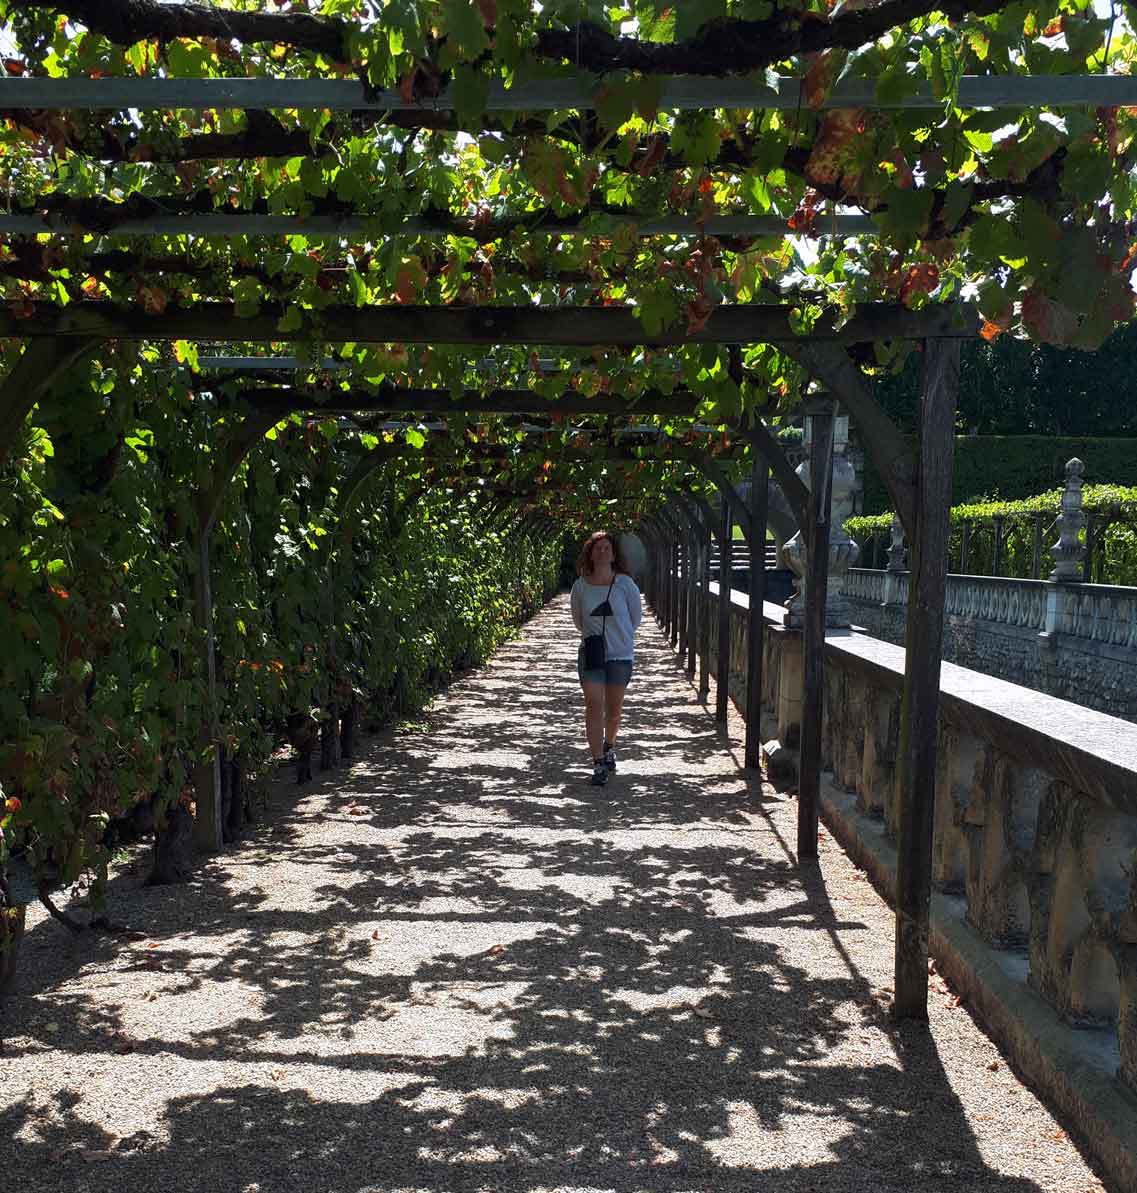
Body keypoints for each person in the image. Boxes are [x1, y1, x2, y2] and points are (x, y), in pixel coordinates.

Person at [570, 531, 643, 787]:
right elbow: (579, 621)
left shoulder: (625, 584)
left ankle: (609, 745)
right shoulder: (580, 586)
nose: (602, 552)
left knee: (613, 712)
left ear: (613, 555)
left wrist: (618, 636)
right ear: (590, 554)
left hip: (620, 655)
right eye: (597, 548)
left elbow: (635, 619)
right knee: (593, 704)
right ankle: (598, 762)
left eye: (607, 548)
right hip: (592, 652)